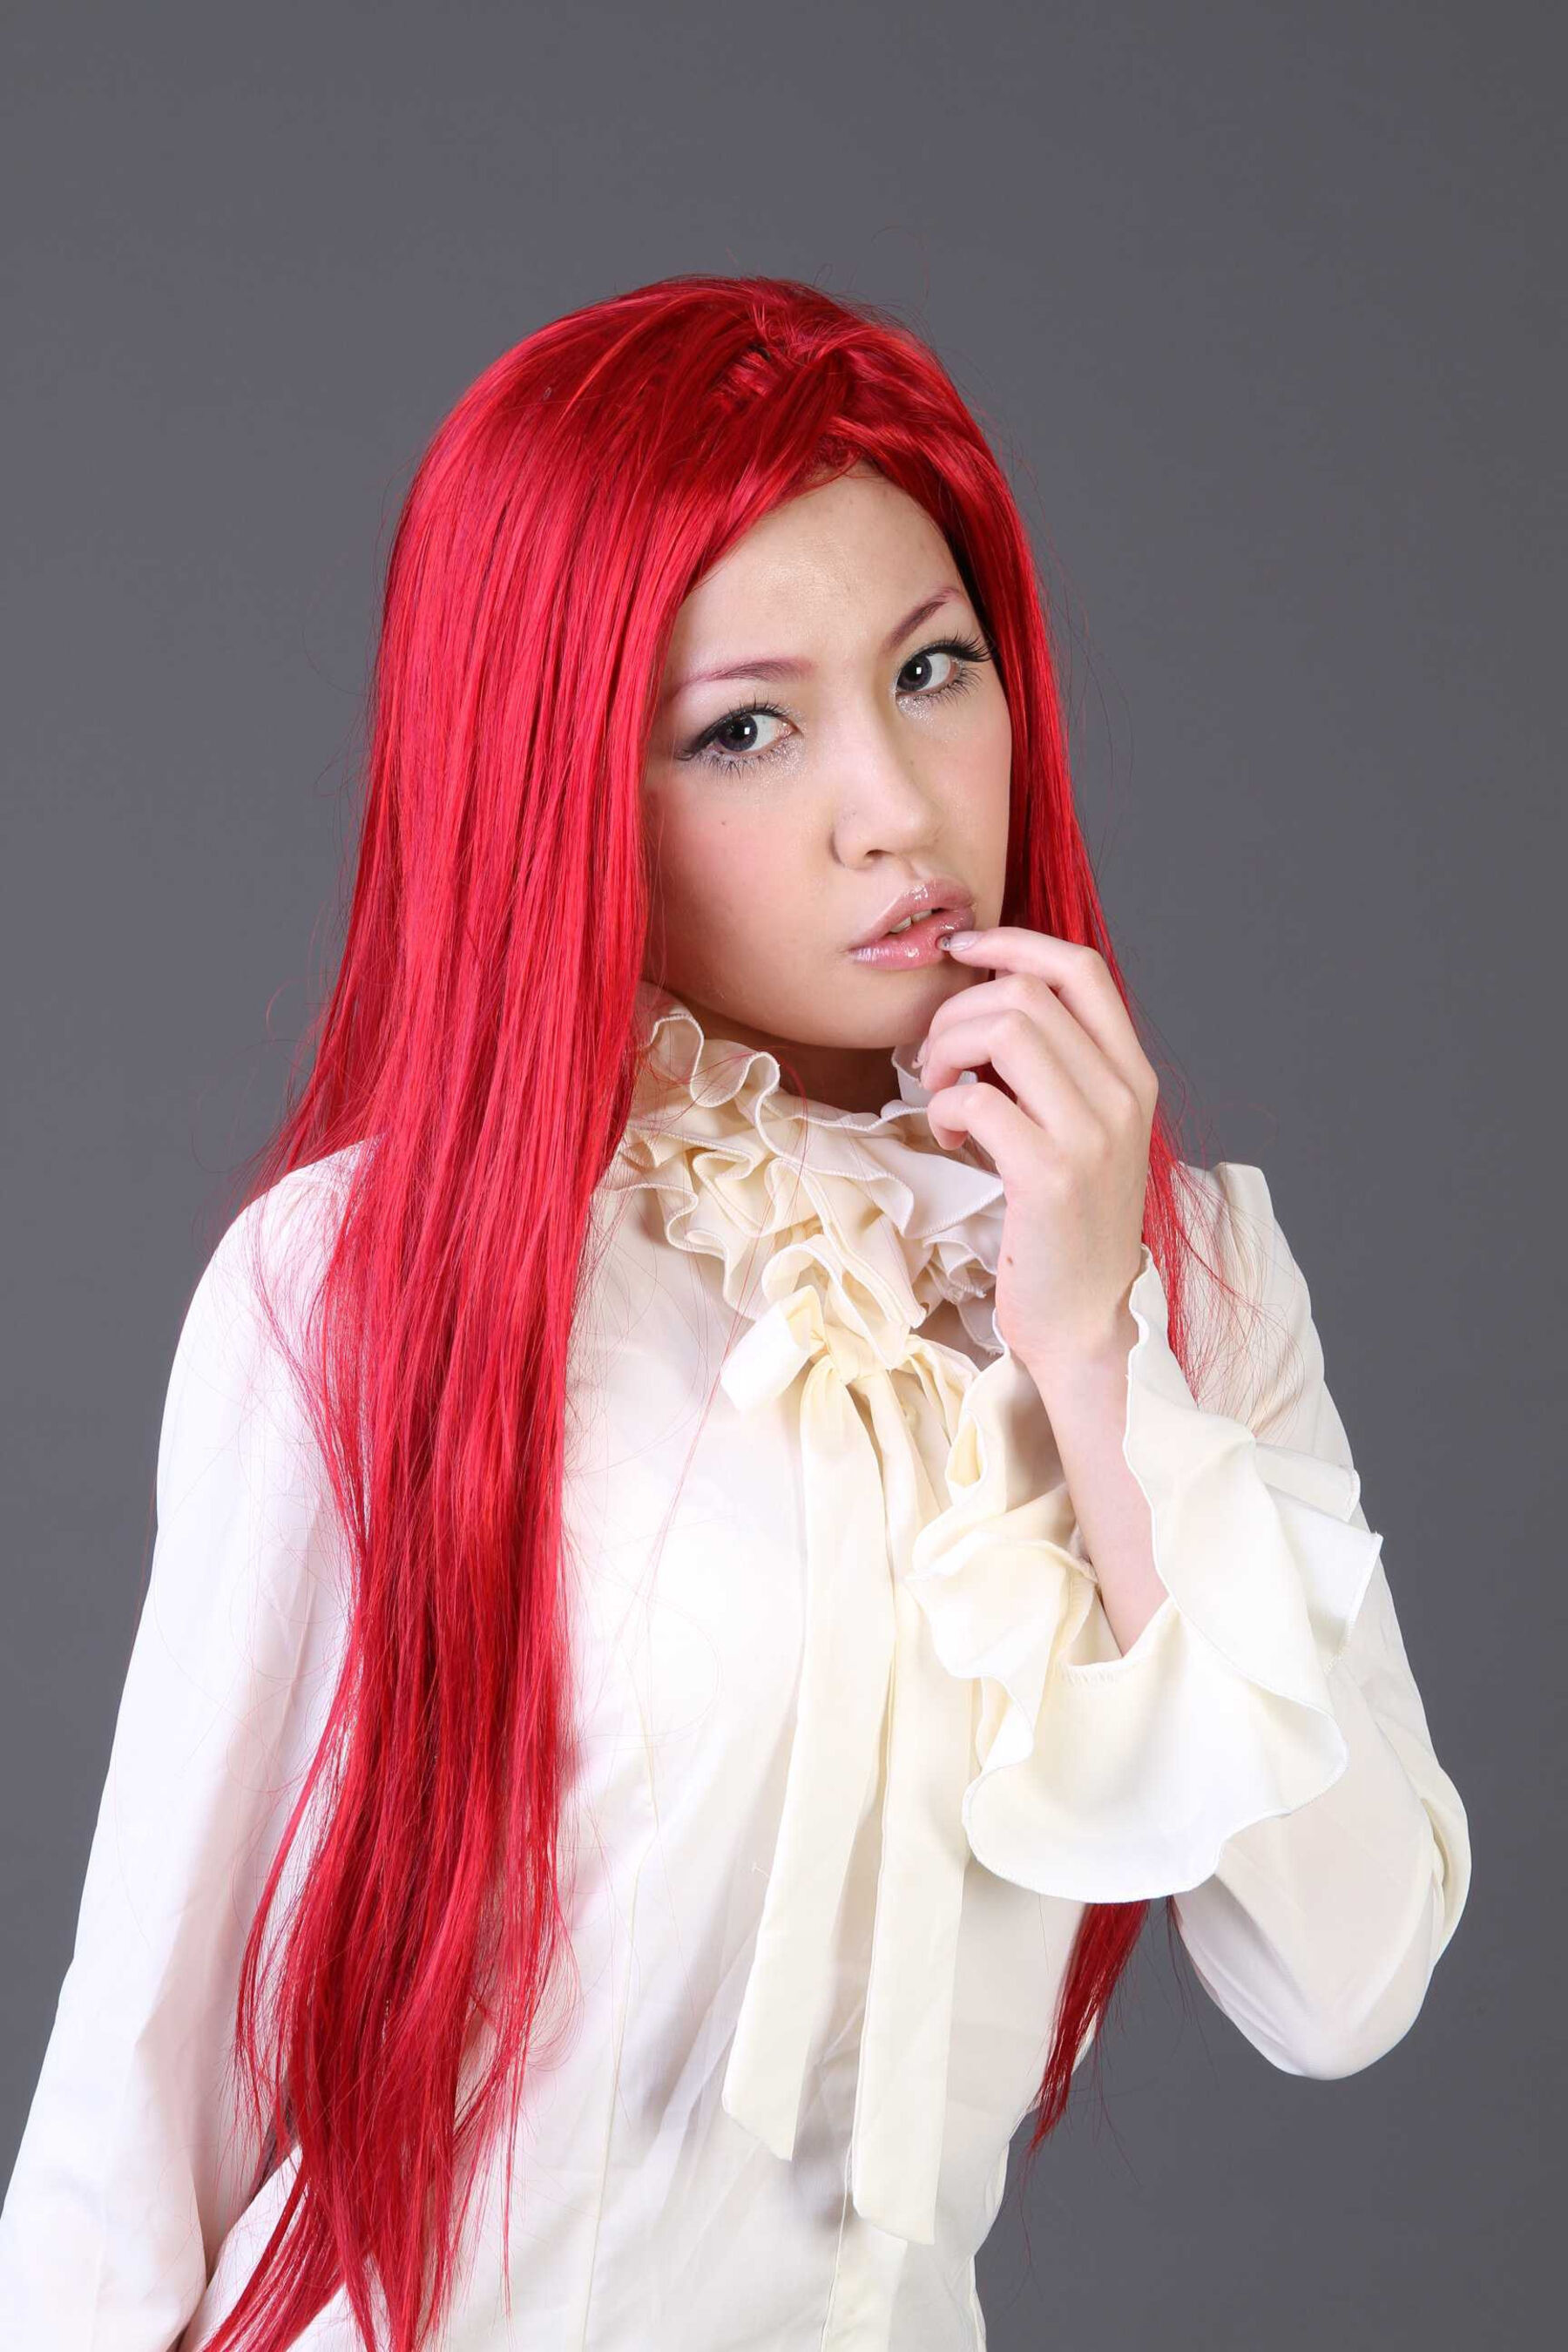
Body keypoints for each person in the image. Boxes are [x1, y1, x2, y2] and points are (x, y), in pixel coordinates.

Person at [0, 274, 1471, 2352]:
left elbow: (1348, 1980)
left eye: (934, 669)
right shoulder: (369, 1276)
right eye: (747, 728)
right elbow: (138, 2098)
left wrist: (1092, 1349)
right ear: (568, 783)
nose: (898, 807)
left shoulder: (1187, 1282)